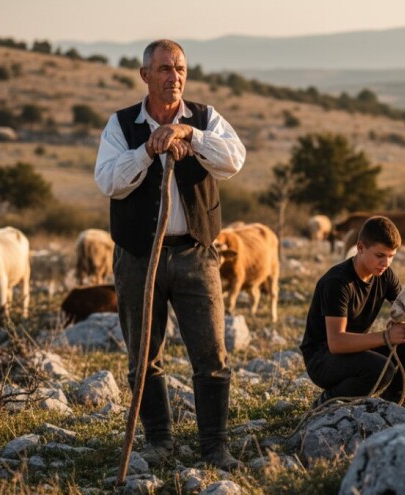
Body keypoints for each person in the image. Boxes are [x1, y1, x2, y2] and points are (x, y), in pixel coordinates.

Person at [94, 39, 245, 470]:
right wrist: (148, 150)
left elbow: (234, 159)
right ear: (145, 75)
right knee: (144, 356)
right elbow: (108, 181)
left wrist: (188, 135)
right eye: (163, 69)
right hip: (139, 256)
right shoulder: (122, 125)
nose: (173, 76)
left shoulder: (205, 118)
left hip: (195, 251)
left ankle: (214, 447)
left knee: (212, 356)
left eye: (179, 68)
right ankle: (159, 442)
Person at [300, 216, 405, 407]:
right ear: (360, 248)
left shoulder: (384, 274)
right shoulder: (337, 283)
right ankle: (328, 401)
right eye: (380, 255)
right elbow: (336, 343)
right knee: (381, 368)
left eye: (391, 256)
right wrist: (387, 336)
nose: (386, 263)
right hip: (322, 358)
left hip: (355, 348)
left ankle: (391, 404)